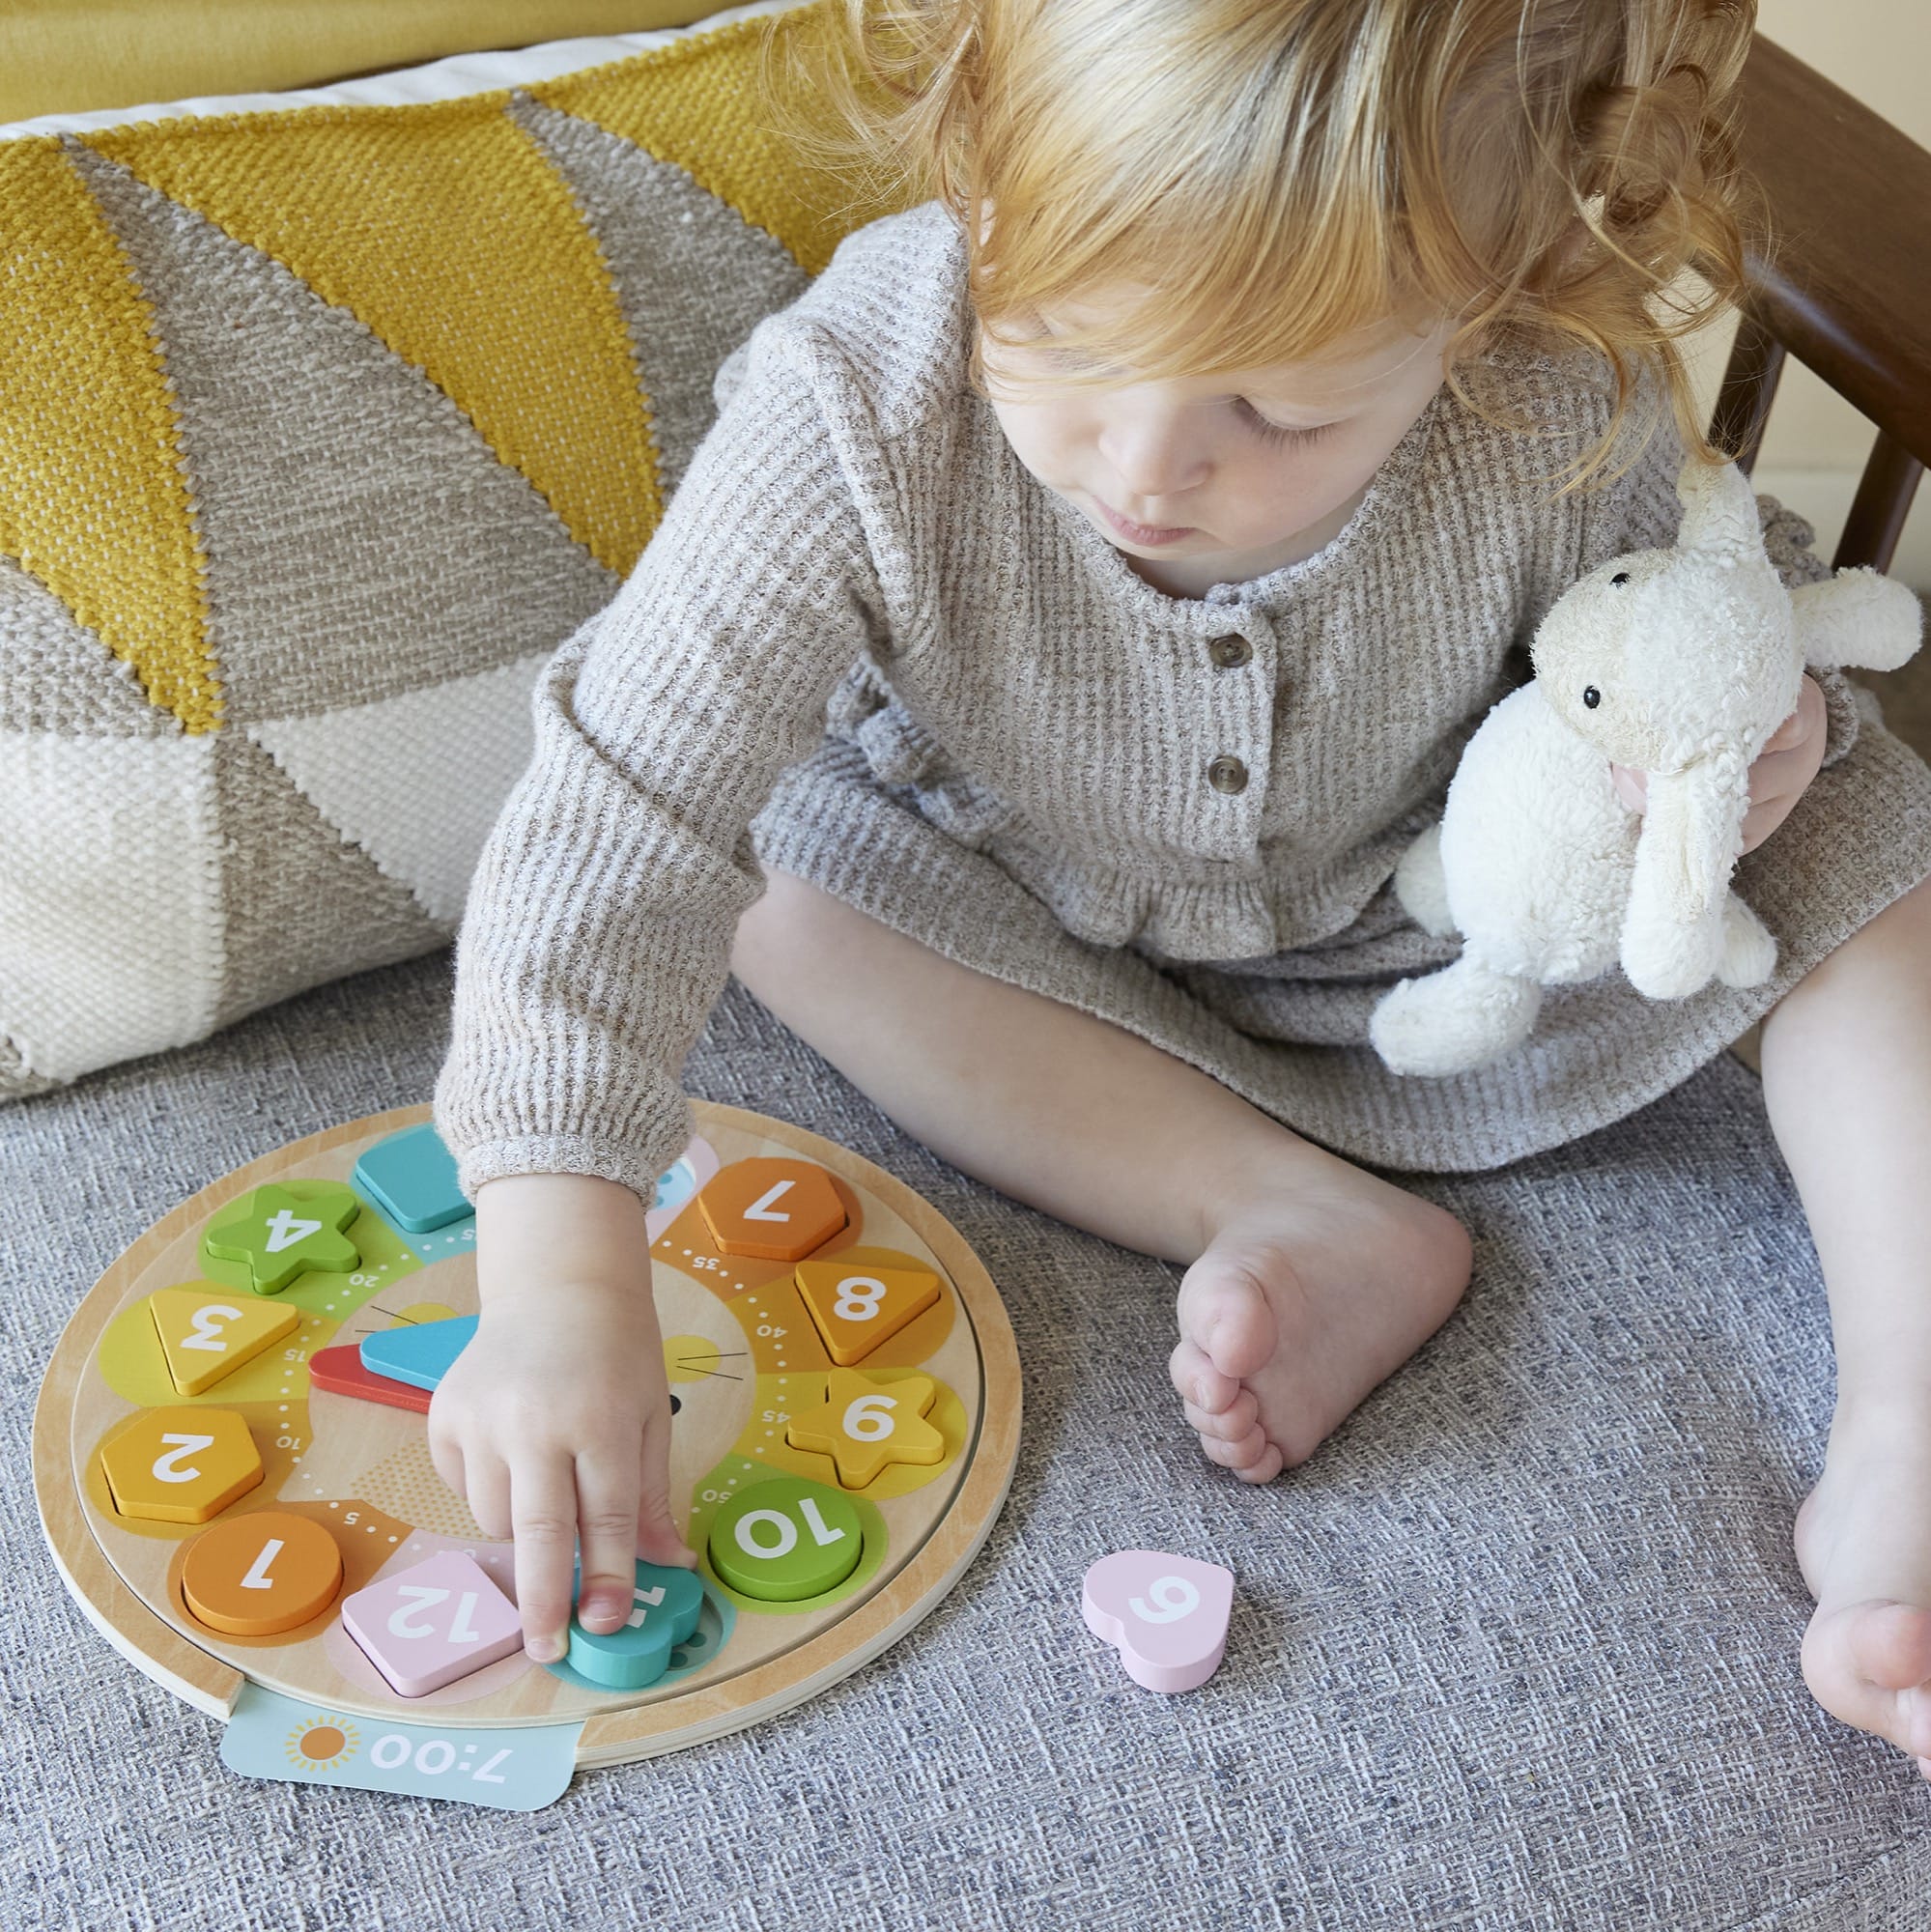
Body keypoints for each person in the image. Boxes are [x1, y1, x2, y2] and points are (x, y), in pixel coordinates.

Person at [430, 0, 1931, 1773]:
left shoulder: (1554, 394)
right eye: (1051, 330)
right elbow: (626, 803)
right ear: (972, 172)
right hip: (1005, 909)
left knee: (1867, 830)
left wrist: (1753, 739)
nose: (1142, 467)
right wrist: (558, 1276)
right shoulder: (858, 394)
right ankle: (1280, 1202)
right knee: (774, 880)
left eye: (1280, 408)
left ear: (1498, 287)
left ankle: (1912, 1418)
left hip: (1442, 920)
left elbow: (1702, 605)